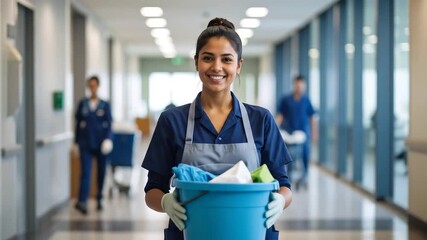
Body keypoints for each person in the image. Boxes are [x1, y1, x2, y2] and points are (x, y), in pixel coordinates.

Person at [142, 18, 293, 240]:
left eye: (227, 59)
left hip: (250, 231)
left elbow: (284, 185)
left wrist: (280, 201)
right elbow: (152, 191)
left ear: (238, 65)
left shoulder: (260, 120)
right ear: (196, 62)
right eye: (208, 58)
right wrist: (166, 202)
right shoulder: (172, 121)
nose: (217, 67)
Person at [74, 76, 113, 214]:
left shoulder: (104, 104)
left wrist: (108, 139)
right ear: (88, 87)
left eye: (94, 85)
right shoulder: (83, 104)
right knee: (85, 172)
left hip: (101, 144)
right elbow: (78, 124)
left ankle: (99, 198)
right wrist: (76, 142)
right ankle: (82, 201)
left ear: (98, 86)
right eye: (90, 85)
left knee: (101, 172)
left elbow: (109, 124)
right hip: (85, 144)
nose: (92, 88)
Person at [276, 75, 316, 190]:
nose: (299, 87)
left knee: (304, 154)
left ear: (304, 86)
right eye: (297, 84)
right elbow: (280, 116)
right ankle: (288, 176)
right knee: (289, 155)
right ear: (294, 85)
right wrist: (274, 129)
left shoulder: (306, 100)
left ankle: (305, 176)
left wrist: (314, 133)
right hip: (289, 132)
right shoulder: (286, 99)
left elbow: (312, 117)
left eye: (301, 85)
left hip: (303, 133)